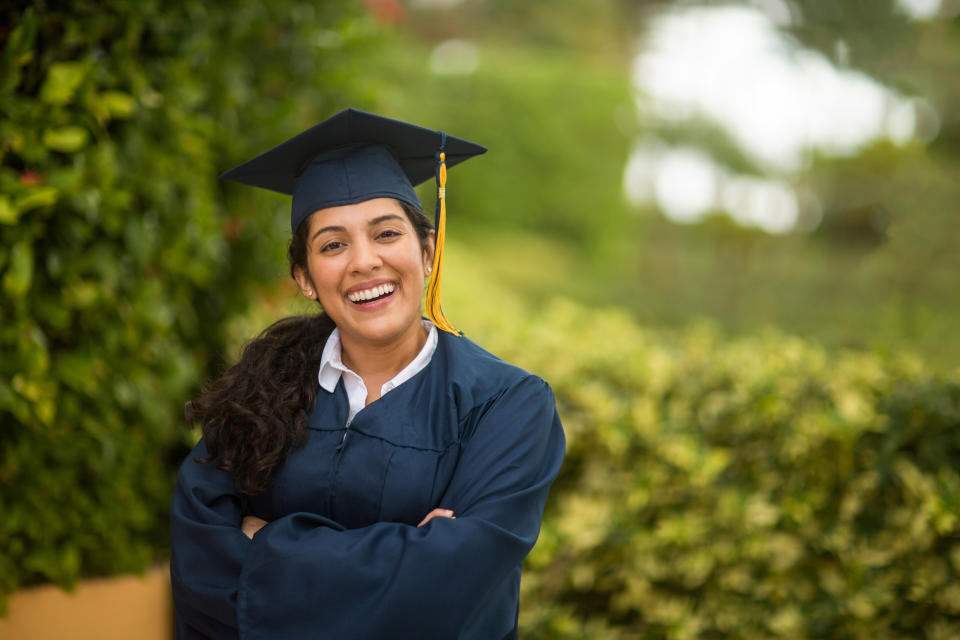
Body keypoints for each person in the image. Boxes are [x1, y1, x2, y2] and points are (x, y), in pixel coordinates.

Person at [169, 108, 566, 639]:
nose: (364, 261)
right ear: (305, 278)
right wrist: (406, 552)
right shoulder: (258, 392)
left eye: (386, 234)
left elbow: (450, 591)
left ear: (426, 252)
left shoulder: (507, 405)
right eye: (333, 245)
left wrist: (266, 546)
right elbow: (202, 571)